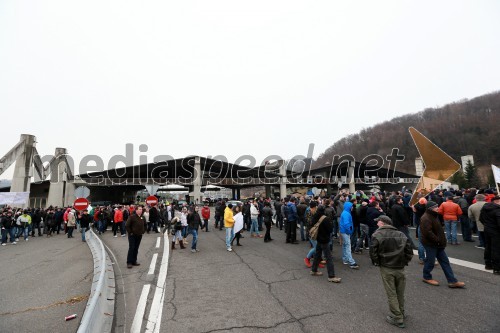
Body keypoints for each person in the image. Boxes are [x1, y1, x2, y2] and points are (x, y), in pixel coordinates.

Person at [370, 216, 413, 328]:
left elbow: (373, 252)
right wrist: (404, 261)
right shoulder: (401, 234)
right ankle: (401, 313)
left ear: (383, 223)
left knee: (391, 293)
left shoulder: (377, 235)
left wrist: (378, 262)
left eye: (378, 222)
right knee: (400, 292)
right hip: (400, 266)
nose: (377, 224)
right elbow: (409, 251)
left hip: (386, 266)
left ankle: (397, 317)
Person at [419, 201, 465, 288]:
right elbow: (427, 233)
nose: (438, 208)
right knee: (430, 262)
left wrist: (439, 241)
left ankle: (452, 281)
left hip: (438, 244)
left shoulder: (433, 215)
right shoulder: (426, 218)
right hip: (431, 244)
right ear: (431, 208)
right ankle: (426, 277)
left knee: (445, 262)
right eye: (436, 206)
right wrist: (437, 240)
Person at [309, 204, 341, 283]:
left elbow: (311, 224)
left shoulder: (315, 217)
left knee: (317, 254)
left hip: (318, 238)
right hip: (325, 239)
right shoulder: (325, 218)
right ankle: (331, 276)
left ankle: (314, 270)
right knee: (328, 258)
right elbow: (330, 230)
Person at [479, 195, 500, 274]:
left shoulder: (485, 207)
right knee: (496, 249)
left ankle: (488, 264)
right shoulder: (497, 209)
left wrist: (487, 225)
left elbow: (481, 219)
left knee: (488, 247)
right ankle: (497, 268)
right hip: (496, 231)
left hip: (487, 229)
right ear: (497, 201)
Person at [339, 201, 359, 269]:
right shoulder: (347, 214)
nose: (352, 207)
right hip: (346, 232)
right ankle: (351, 262)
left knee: (345, 245)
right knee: (348, 246)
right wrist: (349, 231)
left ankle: (345, 259)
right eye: (351, 206)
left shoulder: (345, 212)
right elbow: (347, 224)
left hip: (343, 231)